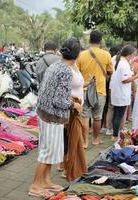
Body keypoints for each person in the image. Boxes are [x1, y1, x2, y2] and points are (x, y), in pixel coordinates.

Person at [29, 38, 82, 198]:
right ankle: (36, 186)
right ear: (77, 54)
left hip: (44, 113)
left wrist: (69, 97)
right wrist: (74, 105)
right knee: (48, 152)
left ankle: (45, 181)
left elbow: (52, 91)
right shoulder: (66, 70)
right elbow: (59, 100)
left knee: (48, 150)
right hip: (52, 116)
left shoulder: (56, 64)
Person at [77, 30, 114, 147]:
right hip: (100, 91)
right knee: (97, 117)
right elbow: (110, 72)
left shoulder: (81, 55)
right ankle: (96, 139)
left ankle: (84, 141)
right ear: (101, 40)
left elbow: (77, 72)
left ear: (89, 40)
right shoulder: (106, 54)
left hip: (85, 90)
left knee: (84, 116)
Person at [110, 45, 138, 140]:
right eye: (133, 54)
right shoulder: (124, 64)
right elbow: (125, 80)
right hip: (121, 93)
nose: (134, 56)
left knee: (117, 114)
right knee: (119, 115)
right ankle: (114, 134)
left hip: (118, 92)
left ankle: (114, 133)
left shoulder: (122, 62)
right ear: (129, 54)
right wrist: (137, 76)